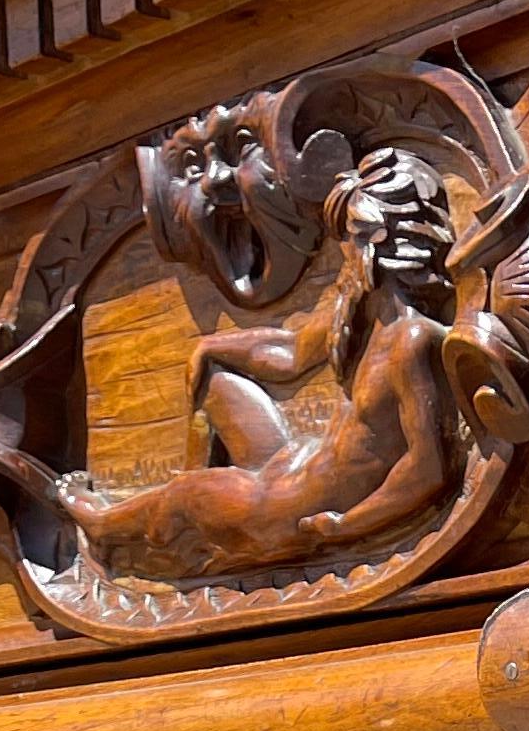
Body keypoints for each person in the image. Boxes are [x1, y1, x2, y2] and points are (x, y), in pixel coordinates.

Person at [68, 149, 463, 581]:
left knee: (184, 495)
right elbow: (289, 352)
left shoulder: (412, 341)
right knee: (217, 378)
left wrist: (348, 525)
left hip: (284, 508)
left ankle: (104, 527)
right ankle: (206, 493)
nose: (344, 253)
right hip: (287, 465)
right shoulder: (356, 310)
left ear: (376, 246)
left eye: (348, 238)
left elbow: (428, 468)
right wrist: (213, 347)